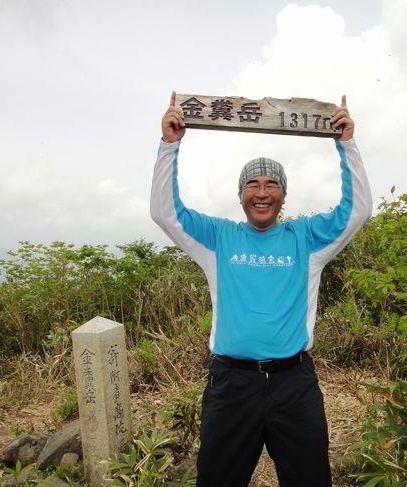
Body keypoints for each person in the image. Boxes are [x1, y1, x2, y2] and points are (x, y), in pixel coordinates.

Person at [150, 91, 372, 487]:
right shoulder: (218, 238)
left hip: (295, 385)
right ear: (241, 195)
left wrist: (347, 145)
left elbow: (357, 211)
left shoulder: (307, 239)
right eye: (252, 184)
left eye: (272, 184)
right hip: (232, 385)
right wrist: (170, 146)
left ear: (283, 196)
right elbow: (166, 213)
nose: (262, 192)